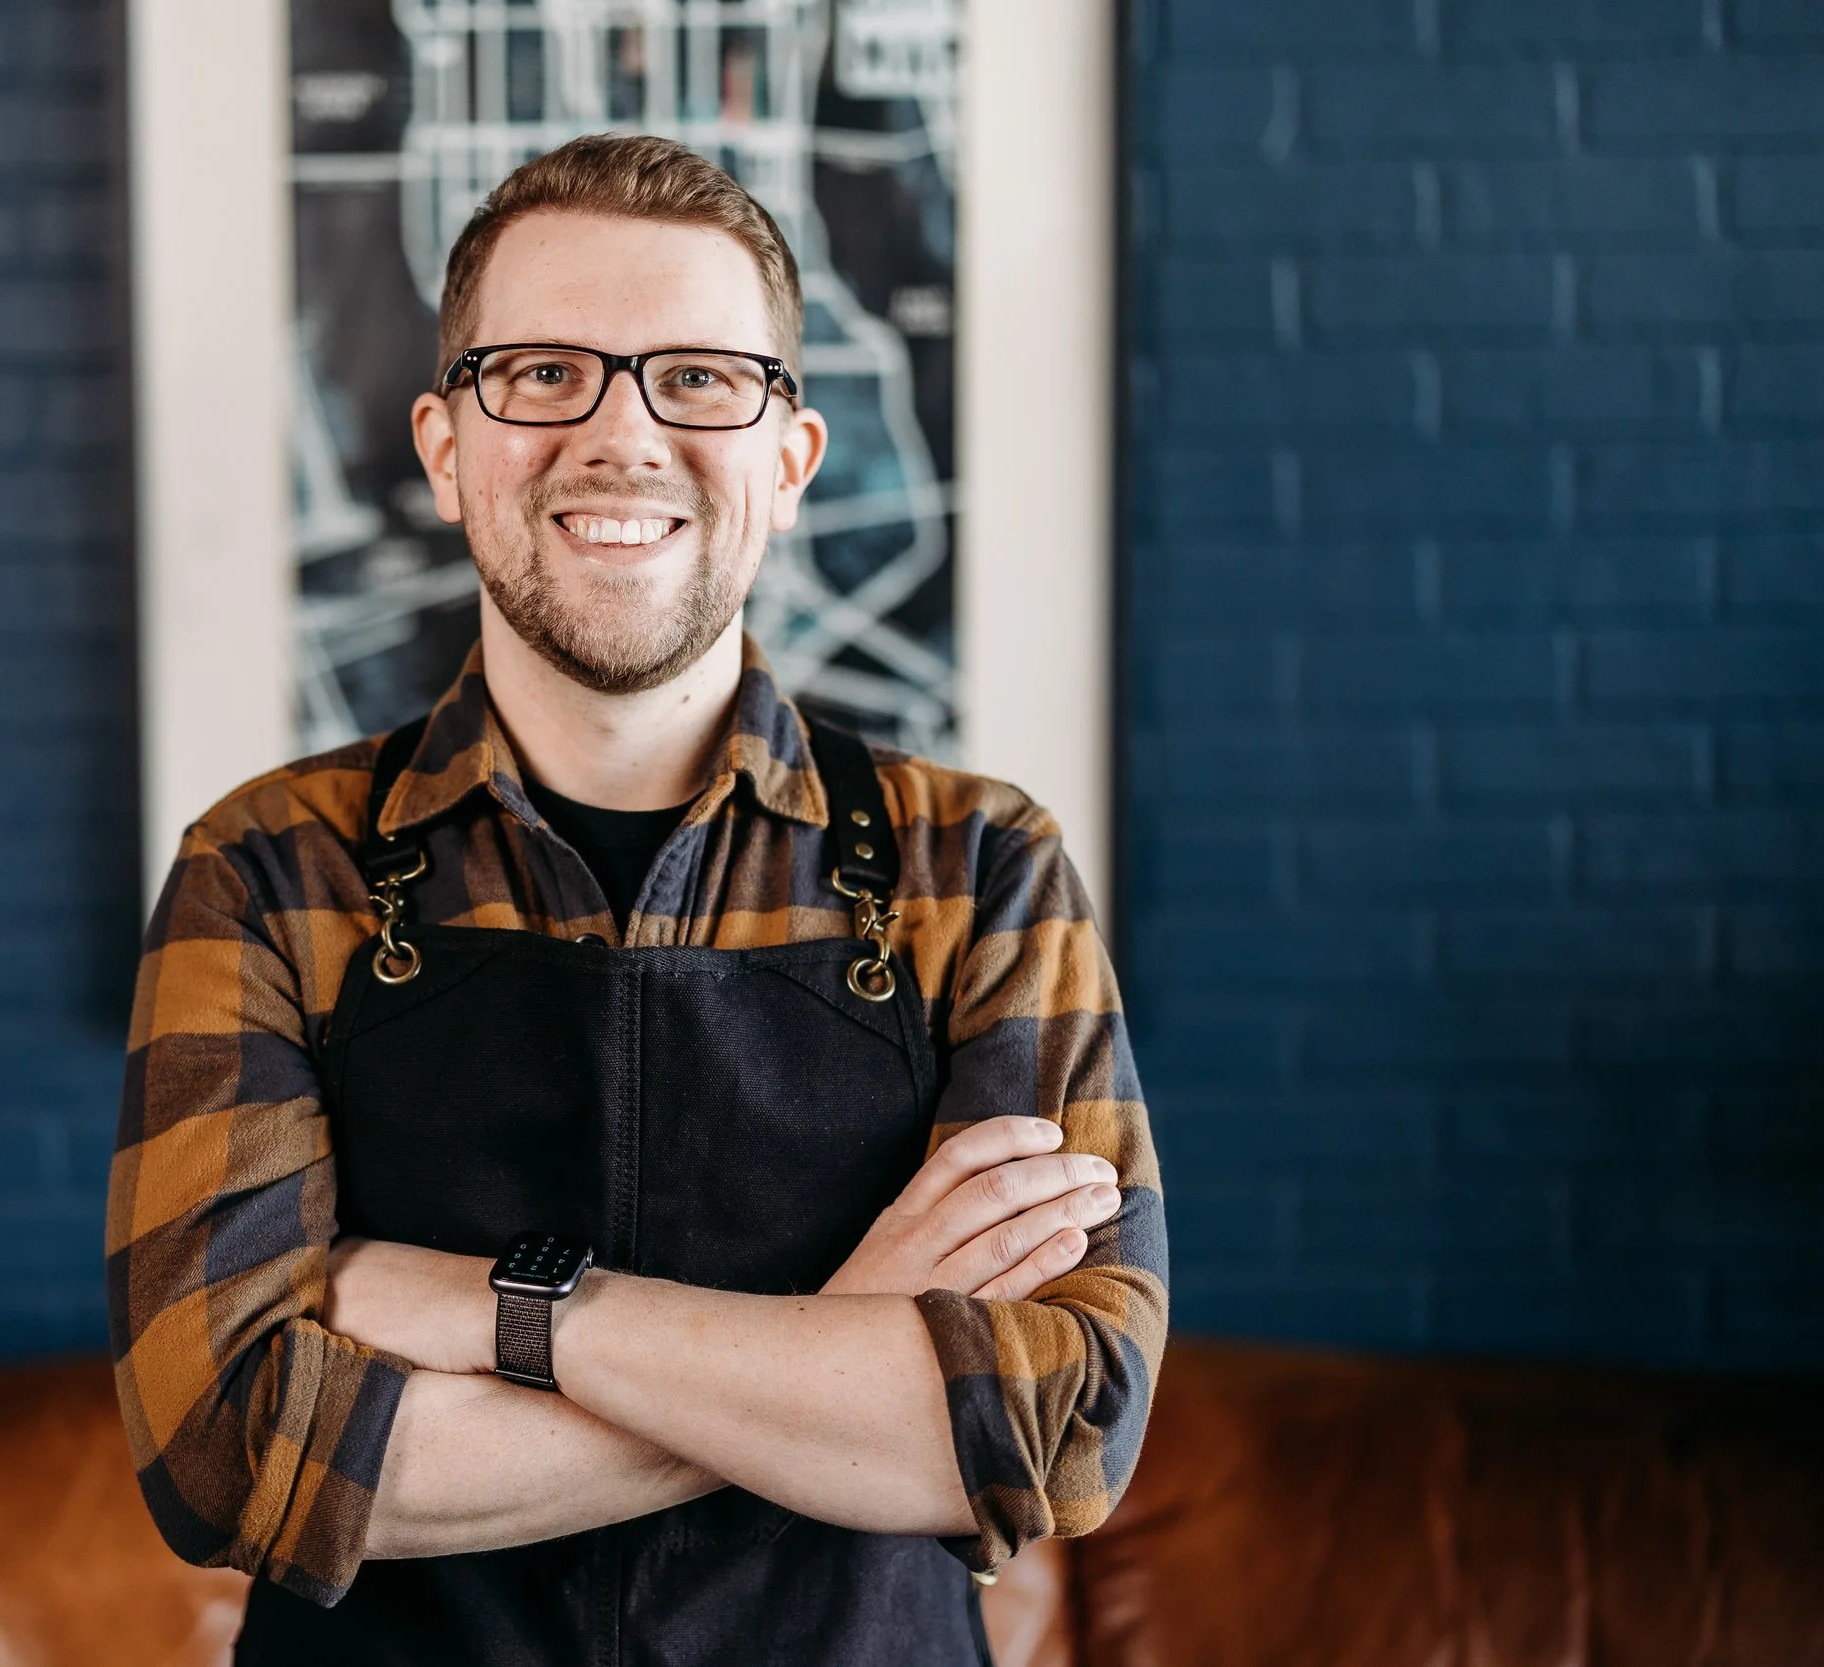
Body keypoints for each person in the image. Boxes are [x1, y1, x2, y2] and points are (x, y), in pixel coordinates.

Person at [108, 133, 1166, 1665]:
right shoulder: (271, 870)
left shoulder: (981, 870)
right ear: (444, 445)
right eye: (542, 374)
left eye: (699, 377)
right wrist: (846, 1342)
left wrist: (503, 1313)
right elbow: (229, 1450)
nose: (620, 434)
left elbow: (1053, 1429)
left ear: (790, 458)